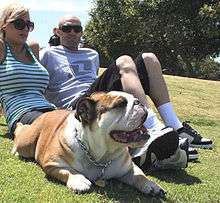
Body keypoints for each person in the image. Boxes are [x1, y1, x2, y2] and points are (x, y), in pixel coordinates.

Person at [40, 15, 213, 169]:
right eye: (66, 28)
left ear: (81, 32)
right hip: (78, 106)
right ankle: (154, 130)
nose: (72, 32)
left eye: (76, 29)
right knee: (123, 60)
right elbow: (32, 75)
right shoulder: (47, 53)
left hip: (99, 97)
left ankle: (177, 128)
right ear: (57, 31)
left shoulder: (91, 54)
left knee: (149, 59)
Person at [0, 3, 56, 138]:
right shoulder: (1, 48)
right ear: (4, 25)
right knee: (54, 128)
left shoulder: (33, 48)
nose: (25, 29)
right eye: (19, 24)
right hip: (20, 113)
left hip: (49, 109)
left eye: (29, 25)